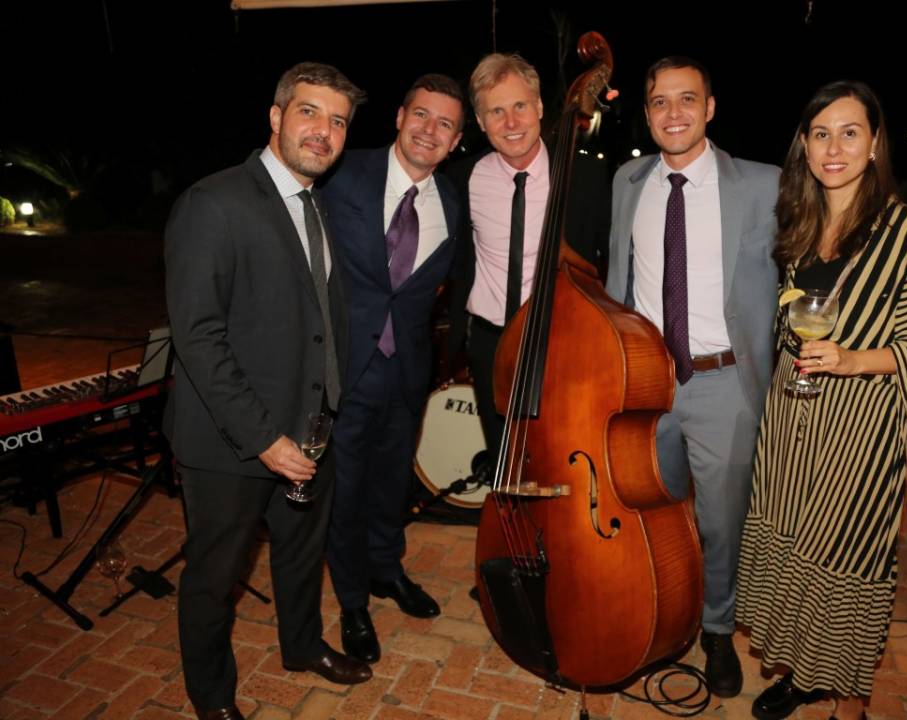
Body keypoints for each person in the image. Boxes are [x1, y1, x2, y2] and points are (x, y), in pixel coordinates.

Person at [735, 81, 907, 720]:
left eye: (850, 132)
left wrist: (853, 358)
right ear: (804, 147)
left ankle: (851, 704)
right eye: (821, 134)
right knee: (791, 545)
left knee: (846, 559)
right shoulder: (803, 225)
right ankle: (804, 673)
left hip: (860, 430)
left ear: (875, 143)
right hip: (791, 420)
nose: (834, 148)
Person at [164, 62, 370, 720]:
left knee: (302, 555)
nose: (324, 131)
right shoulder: (213, 203)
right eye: (309, 112)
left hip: (311, 427)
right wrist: (264, 439)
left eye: (338, 121)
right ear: (276, 116)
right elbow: (198, 339)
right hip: (233, 442)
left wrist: (326, 409)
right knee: (214, 577)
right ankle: (212, 698)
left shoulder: (315, 202)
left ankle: (302, 646)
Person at [605, 56, 781, 697]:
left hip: (723, 383)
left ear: (709, 108)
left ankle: (717, 629)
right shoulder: (628, 180)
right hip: (645, 382)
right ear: (647, 113)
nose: (673, 113)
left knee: (720, 521)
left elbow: (822, 252)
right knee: (649, 507)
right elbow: (619, 278)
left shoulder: (763, 185)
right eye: (660, 101)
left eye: (687, 99)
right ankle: (660, 610)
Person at [321, 74, 465, 665]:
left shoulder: (452, 201)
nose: (430, 130)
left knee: (389, 484)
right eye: (422, 115)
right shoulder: (341, 173)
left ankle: (386, 569)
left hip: (406, 372)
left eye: (445, 124)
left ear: (456, 140)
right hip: (343, 368)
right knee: (345, 490)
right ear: (400, 116)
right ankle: (352, 600)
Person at [445, 52, 610, 456]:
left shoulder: (586, 176)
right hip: (490, 344)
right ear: (480, 121)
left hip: (564, 342)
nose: (511, 122)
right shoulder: (461, 179)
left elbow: (609, 255)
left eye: (520, 106)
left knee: (566, 456)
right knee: (505, 461)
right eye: (496, 112)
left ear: (538, 107)